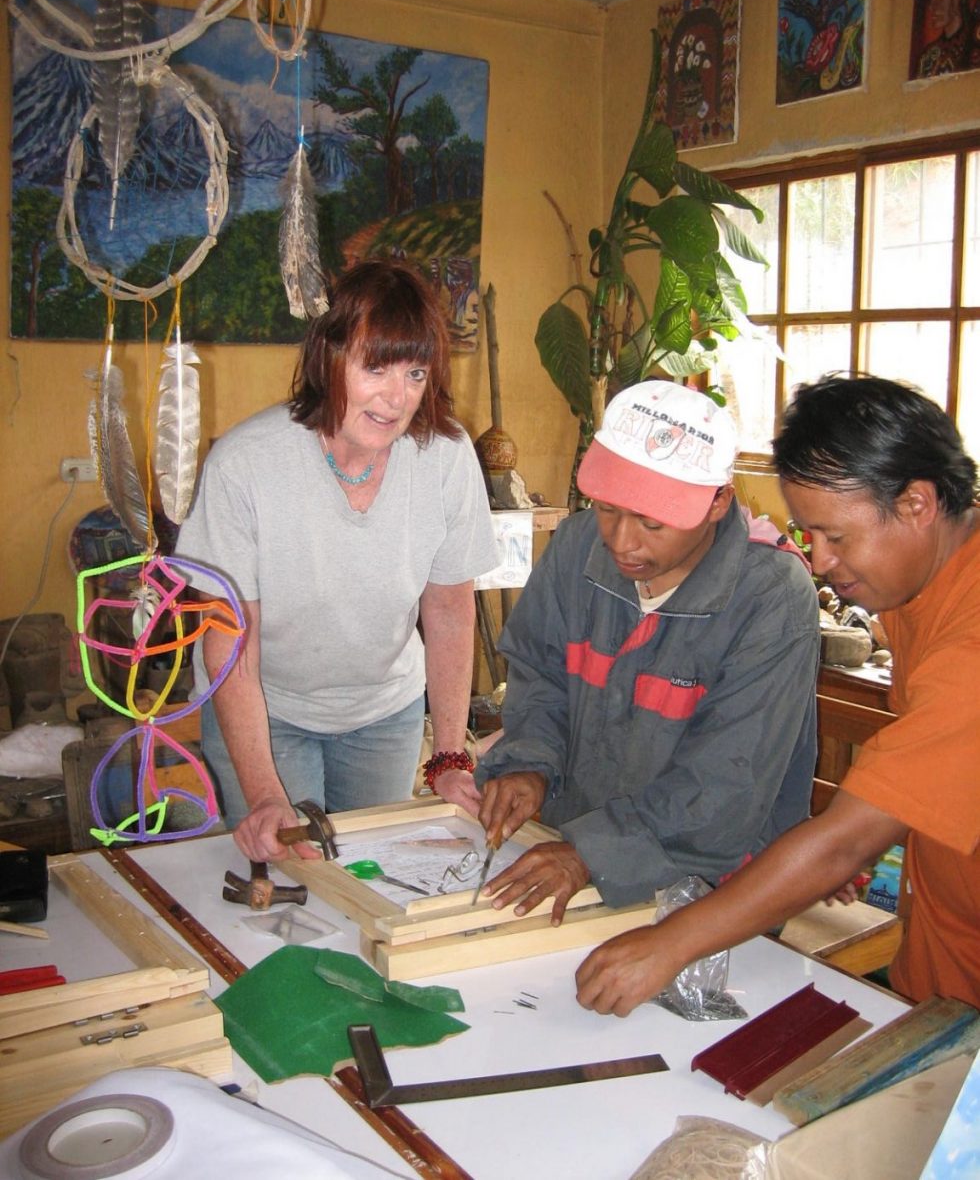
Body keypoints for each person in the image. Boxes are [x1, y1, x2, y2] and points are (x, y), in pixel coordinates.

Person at [576, 374, 980, 1017]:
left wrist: (669, 943)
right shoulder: (923, 591)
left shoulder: (969, 642)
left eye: (836, 537)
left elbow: (844, 842)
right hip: (939, 960)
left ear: (917, 504)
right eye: (807, 534)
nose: (818, 562)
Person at [431, 378, 820, 924]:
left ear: (717, 503)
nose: (621, 541)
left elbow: (727, 783)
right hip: (574, 851)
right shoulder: (576, 547)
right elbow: (541, 680)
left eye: (652, 522)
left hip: (714, 889)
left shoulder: (771, 597)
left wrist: (593, 853)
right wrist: (531, 767)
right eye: (608, 509)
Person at [177, 259, 498, 863]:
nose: (396, 396)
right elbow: (229, 639)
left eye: (414, 372)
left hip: (384, 712)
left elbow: (450, 610)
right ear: (329, 359)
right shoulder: (246, 464)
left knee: (367, 873)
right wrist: (266, 794)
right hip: (268, 709)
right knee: (291, 876)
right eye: (374, 367)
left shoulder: (446, 458)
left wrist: (450, 756)